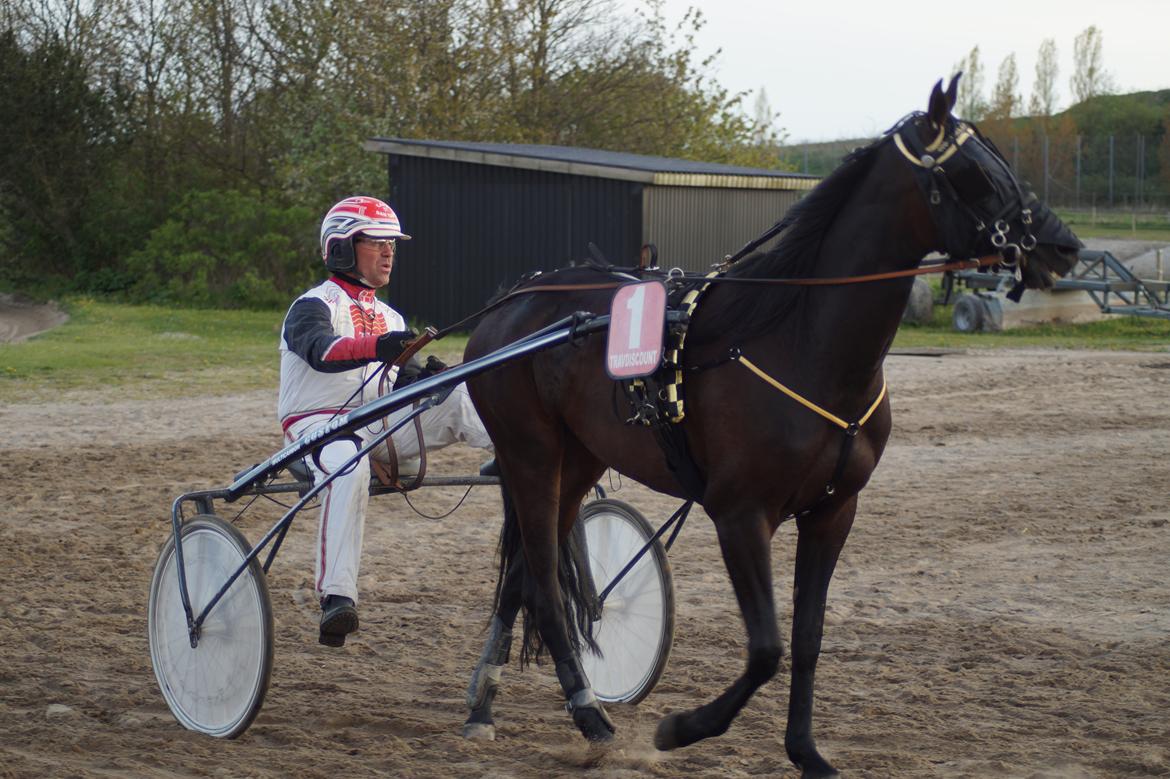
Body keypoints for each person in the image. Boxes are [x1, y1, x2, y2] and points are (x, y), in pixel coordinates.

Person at [278, 195, 493, 647]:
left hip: (377, 423)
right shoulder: (312, 305)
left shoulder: (390, 317)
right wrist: (379, 347)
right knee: (348, 462)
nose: (389, 251)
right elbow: (321, 350)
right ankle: (337, 597)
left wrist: (429, 377)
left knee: (458, 396)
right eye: (377, 242)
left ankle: (514, 454)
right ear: (342, 248)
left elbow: (399, 381)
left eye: (392, 243)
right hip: (318, 425)